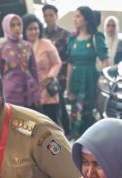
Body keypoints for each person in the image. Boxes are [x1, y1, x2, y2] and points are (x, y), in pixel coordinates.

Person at [66, 7, 109, 139]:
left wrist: (102, 85)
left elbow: (105, 62)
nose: (75, 19)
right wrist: (68, 87)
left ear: (86, 18)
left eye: (78, 16)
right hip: (75, 82)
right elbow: (70, 63)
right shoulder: (72, 39)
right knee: (75, 116)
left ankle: (91, 148)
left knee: (88, 115)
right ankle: (78, 147)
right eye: (74, 16)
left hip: (90, 82)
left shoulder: (96, 37)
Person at [22, 14, 62, 123]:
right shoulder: (21, 47)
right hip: (30, 93)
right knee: (34, 126)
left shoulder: (46, 44)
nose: (34, 32)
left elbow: (57, 63)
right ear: (24, 30)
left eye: (36, 28)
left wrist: (50, 76)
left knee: (52, 123)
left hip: (48, 89)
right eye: (30, 29)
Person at [0, 14, 40, 108]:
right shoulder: (1, 48)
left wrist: (37, 94)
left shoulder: (28, 46)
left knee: (31, 122)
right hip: (11, 95)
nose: (17, 28)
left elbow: (34, 71)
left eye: (19, 24)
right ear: (6, 27)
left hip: (29, 93)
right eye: (12, 25)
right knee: (16, 122)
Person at [42, 4, 72, 136]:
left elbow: (68, 57)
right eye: (46, 16)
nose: (48, 18)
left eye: (51, 15)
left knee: (62, 105)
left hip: (60, 76)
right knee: (50, 108)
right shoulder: (40, 34)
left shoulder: (65, 34)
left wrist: (66, 78)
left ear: (56, 16)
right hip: (44, 77)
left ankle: (67, 131)